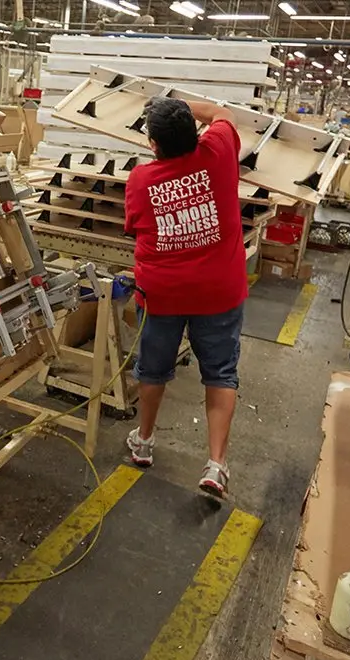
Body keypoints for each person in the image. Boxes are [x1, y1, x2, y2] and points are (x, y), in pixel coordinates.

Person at [122, 97, 248, 500]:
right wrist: (180, 101)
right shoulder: (220, 150)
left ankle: (143, 442)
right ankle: (216, 465)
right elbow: (224, 114)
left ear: (154, 144)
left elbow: (134, 227)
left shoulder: (142, 179)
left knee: (153, 368)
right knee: (220, 373)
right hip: (219, 290)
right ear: (194, 132)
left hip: (163, 293)